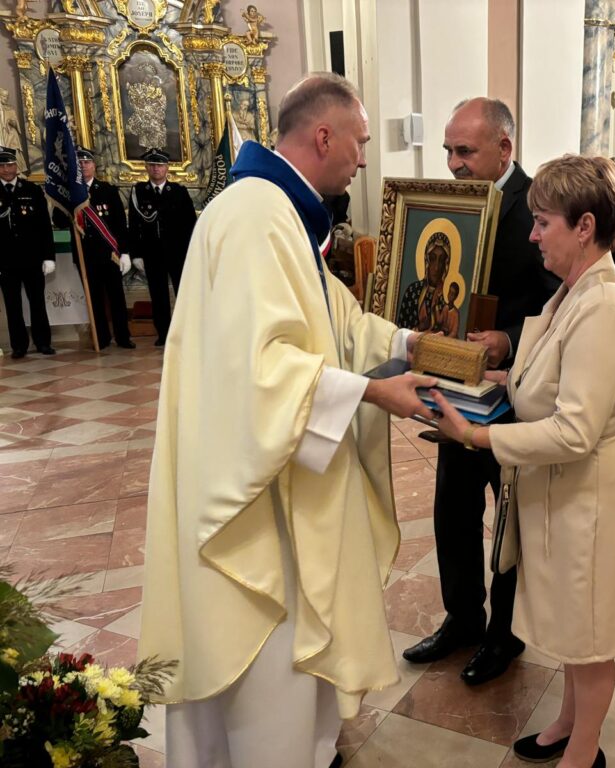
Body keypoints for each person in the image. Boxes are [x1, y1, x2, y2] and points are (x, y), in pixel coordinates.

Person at [137, 72, 438, 768]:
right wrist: (373, 395)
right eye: (361, 141)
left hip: (274, 468)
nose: (363, 157)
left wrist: (409, 343)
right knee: (265, 644)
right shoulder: (256, 215)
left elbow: (331, 319)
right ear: (324, 136)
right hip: (255, 492)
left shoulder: (277, 210)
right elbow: (260, 371)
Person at [431, 154, 615, 768]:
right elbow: (548, 380)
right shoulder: (572, 293)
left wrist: (477, 437)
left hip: (591, 495)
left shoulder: (603, 306)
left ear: (584, 227)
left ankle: (583, 754)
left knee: (591, 635)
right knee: (574, 626)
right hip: (563, 491)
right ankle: (566, 725)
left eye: (542, 222)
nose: (532, 235)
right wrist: (499, 378)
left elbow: (576, 430)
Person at [402, 97, 560, 686]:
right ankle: (463, 619)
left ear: (504, 148)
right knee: (453, 512)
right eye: (448, 150)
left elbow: (557, 301)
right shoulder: (451, 204)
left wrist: (509, 339)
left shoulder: (539, 206)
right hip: (456, 392)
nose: (453, 163)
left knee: (510, 522)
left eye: (465, 150)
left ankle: (504, 635)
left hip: (514, 397)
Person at [52, 148, 135, 349]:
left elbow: (120, 224)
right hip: (85, 256)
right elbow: (59, 221)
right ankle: (102, 337)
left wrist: (125, 252)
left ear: (94, 166)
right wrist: (68, 201)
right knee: (94, 299)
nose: (83, 166)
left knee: (116, 297)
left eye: (87, 162)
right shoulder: (70, 193)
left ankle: (123, 337)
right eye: (79, 164)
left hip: (110, 254)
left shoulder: (107, 190)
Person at [128, 147, 197, 346]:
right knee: (158, 296)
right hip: (152, 253)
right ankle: (164, 334)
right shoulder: (139, 192)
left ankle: (187, 332)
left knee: (183, 293)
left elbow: (190, 224)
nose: (156, 169)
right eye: (152, 165)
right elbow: (134, 225)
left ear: (167, 168)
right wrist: (136, 254)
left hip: (177, 252)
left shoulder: (179, 192)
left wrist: (191, 251)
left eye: (159, 165)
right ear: (146, 168)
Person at [0, 145, 55, 358]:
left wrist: (49, 257)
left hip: (32, 258)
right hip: (5, 261)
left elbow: (44, 227)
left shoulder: (32, 190)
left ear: (17, 166)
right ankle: (19, 345)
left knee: (37, 302)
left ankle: (43, 342)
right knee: (12, 305)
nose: (6, 169)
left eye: (10, 165)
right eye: (2, 166)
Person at [396, 231, 452, 333]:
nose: (436, 267)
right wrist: (419, 328)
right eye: (433, 259)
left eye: (441, 260)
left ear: (446, 265)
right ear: (427, 261)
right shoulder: (412, 292)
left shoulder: (445, 301)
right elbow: (399, 333)